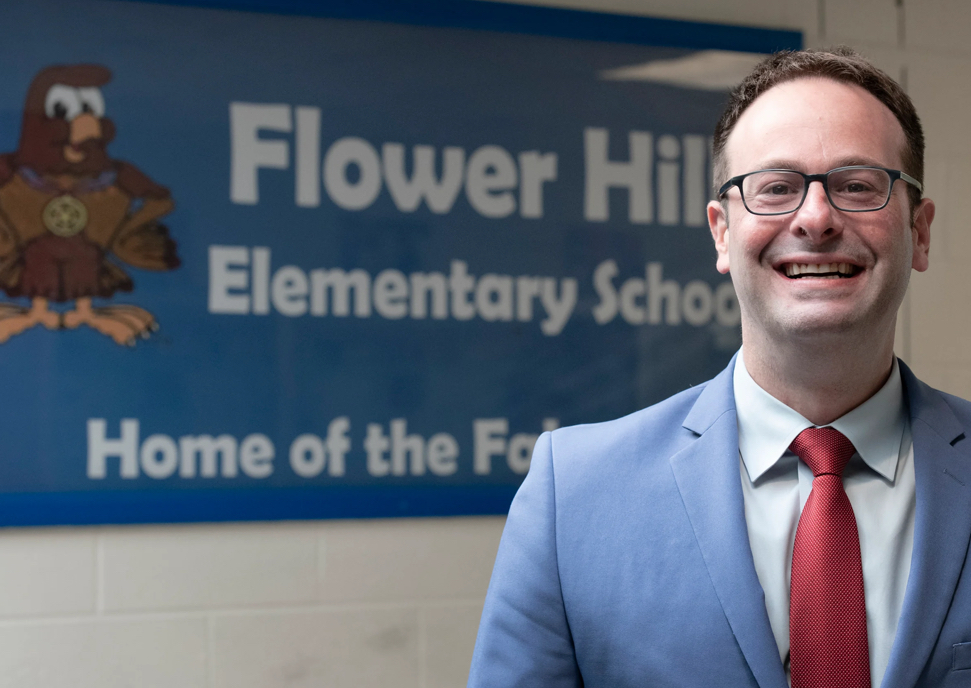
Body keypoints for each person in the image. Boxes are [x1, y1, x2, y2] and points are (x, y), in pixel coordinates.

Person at [467, 47, 971, 688]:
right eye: (776, 188)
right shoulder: (574, 496)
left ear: (919, 232)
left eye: (857, 185)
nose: (816, 218)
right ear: (722, 234)